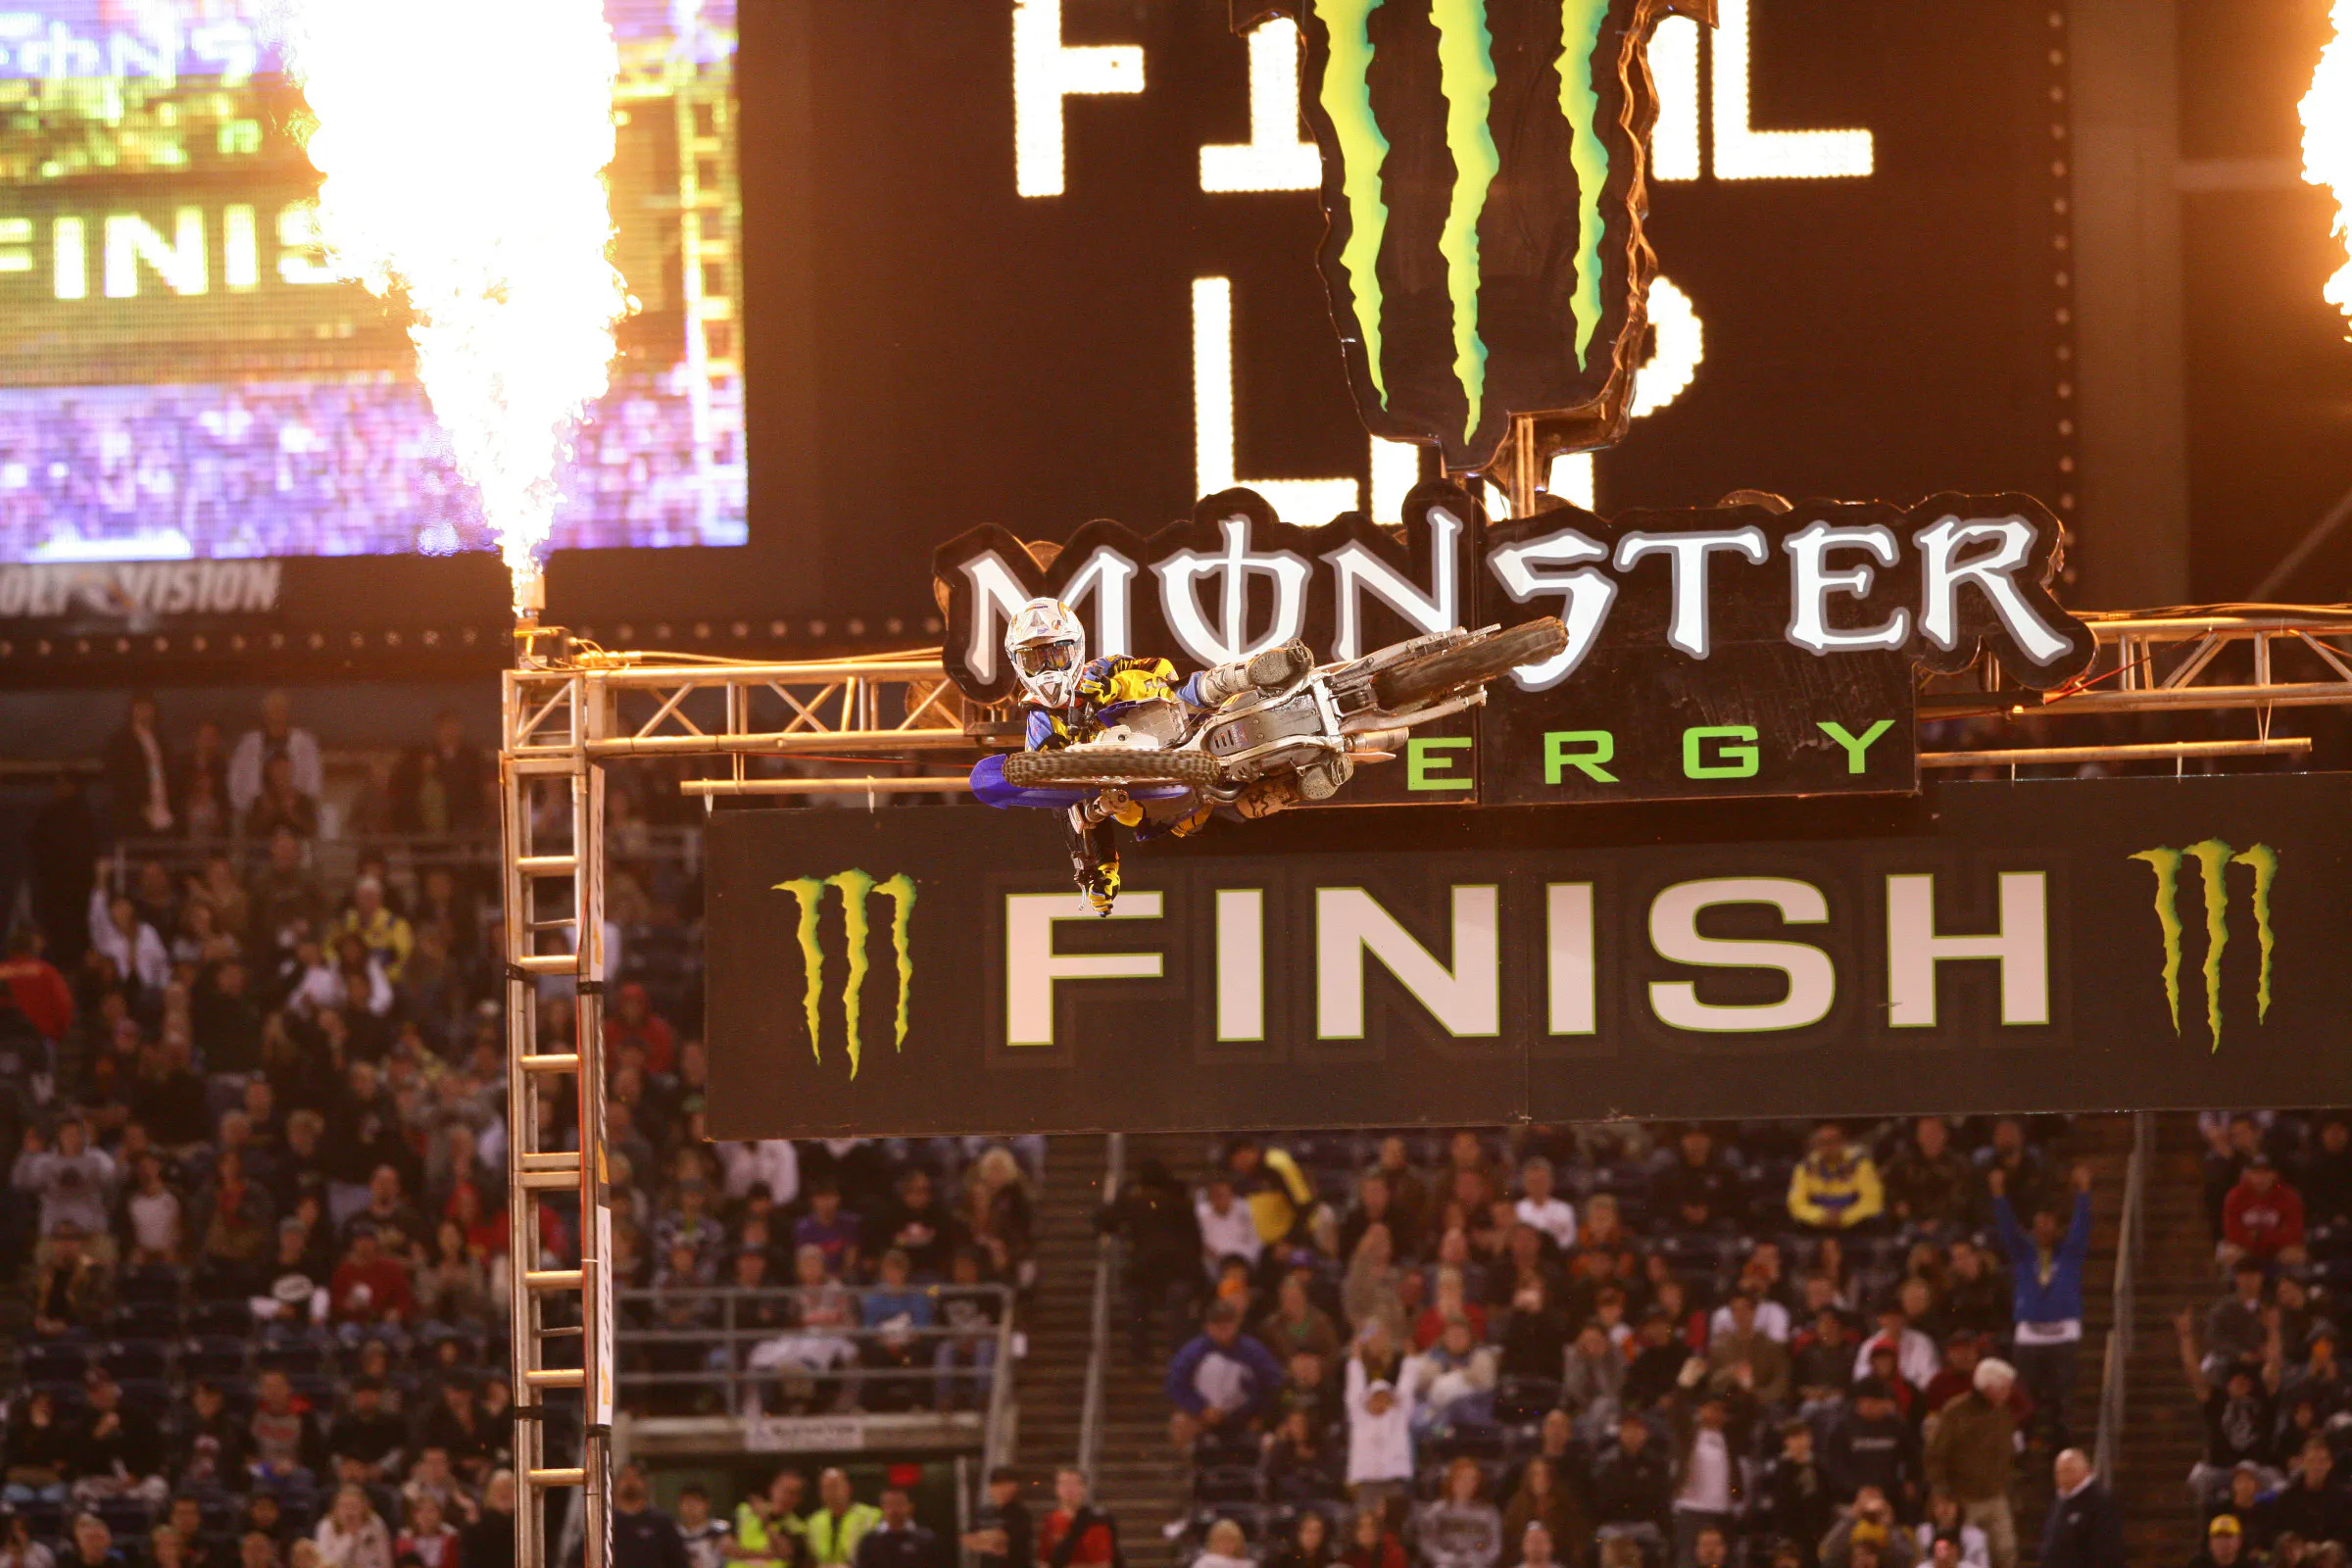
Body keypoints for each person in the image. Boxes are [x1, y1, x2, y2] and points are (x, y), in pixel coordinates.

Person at [968, 596, 1318, 909]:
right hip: (1144, 787)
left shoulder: (1104, 668)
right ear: (1017, 663)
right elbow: (1065, 803)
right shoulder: (1040, 725)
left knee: (1194, 689)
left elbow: (1164, 671)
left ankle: (1259, 670)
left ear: (1075, 649)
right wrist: (1098, 866)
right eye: (1034, 659)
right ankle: (1299, 786)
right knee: (1203, 818)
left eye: (1055, 654)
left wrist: (1113, 687)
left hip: (1174, 725)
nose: (1047, 669)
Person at [1992, 1163, 2092, 1451]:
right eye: (2039, 1223)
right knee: (2026, 1393)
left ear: (2057, 1226)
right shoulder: (2022, 1253)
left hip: (2064, 1334)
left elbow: (2082, 1226)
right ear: (2032, 1227)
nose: (2045, 1228)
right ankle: (2026, 1440)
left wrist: (2084, 1193)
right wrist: (1999, 1196)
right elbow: (2007, 1229)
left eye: (2050, 1223)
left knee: (2064, 1394)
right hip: (2030, 1335)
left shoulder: (2070, 1253)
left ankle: (2063, 1443)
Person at [2177, 1304, 2284, 1498]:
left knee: (2281, 1485)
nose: (2241, 1385)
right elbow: (2193, 1372)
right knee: (2197, 1477)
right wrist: (2186, 1338)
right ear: (2227, 1382)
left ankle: (2260, 1506)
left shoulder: (2262, 1395)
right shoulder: (2215, 1397)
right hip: (2222, 1471)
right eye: (2236, 1380)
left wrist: (2273, 1331)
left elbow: (2274, 1365)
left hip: (2257, 1469)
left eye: (2245, 1381)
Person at [1923, 1357, 2020, 1568]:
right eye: (2004, 1388)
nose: (2008, 1393)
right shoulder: (1955, 1411)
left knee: (2005, 1550)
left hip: (1996, 1494)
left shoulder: (2002, 1412)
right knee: (1968, 1554)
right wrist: (1942, 1491)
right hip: (1963, 1497)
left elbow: (2007, 1451)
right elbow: (1935, 1454)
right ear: (1988, 1388)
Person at [1166, 1301, 1286, 1447]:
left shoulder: (1253, 1351)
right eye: (1217, 1325)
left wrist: (1260, 1415)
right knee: (1180, 1423)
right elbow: (1175, 1383)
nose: (1223, 1331)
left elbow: (1273, 1383)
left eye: (1227, 1325)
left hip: (1246, 1417)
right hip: (1205, 1416)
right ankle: (1189, 1467)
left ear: (1236, 1325)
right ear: (1207, 1327)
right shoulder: (1192, 1352)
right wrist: (1200, 1408)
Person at [228, 692, 322, 821]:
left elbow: (313, 779)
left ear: (287, 713)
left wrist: (298, 801)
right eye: (273, 710)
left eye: (280, 710)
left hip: (293, 809)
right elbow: (236, 778)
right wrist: (248, 804)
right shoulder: (249, 743)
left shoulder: (304, 742)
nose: (277, 715)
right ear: (265, 714)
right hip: (258, 810)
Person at [1788, 1123, 1885, 1232]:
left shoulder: (1861, 1165)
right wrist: (1820, 1216)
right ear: (1815, 1145)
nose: (1829, 1147)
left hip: (1855, 1226)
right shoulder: (1804, 1168)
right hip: (1817, 1227)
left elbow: (1872, 1202)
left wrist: (1844, 1217)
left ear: (1843, 1142)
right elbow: (1796, 1204)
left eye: (1834, 1141)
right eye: (1823, 1143)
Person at [103, 693, 174, 838]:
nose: (144, 712)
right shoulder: (121, 741)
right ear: (132, 711)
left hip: (162, 805)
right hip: (134, 810)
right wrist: (138, 804)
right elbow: (117, 777)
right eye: (140, 708)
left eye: (148, 708)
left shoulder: (161, 740)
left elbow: (168, 771)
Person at [2038, 1450, 2125, 1568]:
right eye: (2058, 1472)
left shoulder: (2100, 1501)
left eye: (2068, 1471)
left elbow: (2106, 1550)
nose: (2062, 1477)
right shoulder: (2059, 1501)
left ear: (2085, 1471)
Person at [2221, 1157, 2309, 1271]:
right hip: (2246, 1248)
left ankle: (2289, 1285)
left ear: (2274, 1175)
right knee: (2229, 1253)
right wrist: (2261, 1239)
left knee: (2296, 1255)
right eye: (2256, 1173)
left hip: (2279, 1248)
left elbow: (2294, 1232)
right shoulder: (2235, 1195)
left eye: (2265, 1173)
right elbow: (2232, 1232)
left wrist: (2261, 1237)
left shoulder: (2289, 1195)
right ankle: (2235, 1287)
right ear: (2247, 1174)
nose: (2260, 1178)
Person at [1417, 1458, 1503, 1568]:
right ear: (1451, 1481)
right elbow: (1426, 1542)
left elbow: (1495, 1546)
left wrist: (1480, 1560)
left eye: (1471, 1480)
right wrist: (1441, 1557)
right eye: (1461, 1479)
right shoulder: (1436, 1511)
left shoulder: (1489, 1513)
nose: (1466, 1484)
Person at [607, 1465, 688, 1568]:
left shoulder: (662, 1524)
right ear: (616, 1484)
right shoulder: (605, 1523)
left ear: (646, 1484)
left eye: (635, 1477)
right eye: (625, 1477)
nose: (630, 1482)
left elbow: (678, 1562)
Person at [1035, 1468, 1119, 1568]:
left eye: (1074, 1484)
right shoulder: (1050, 1521)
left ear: (1084, 1488)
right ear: (1056, 1489)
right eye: (1064, 1483)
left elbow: (1104, 1564)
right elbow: (1044, 1560)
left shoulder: (1097, 1521)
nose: (1069, 1489)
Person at [804, 1470, 880, 1568]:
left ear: (848, 1488)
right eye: (825, 1488)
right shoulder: (814, 1521)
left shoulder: (872, 1516)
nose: (830, 1492)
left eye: (835, 1486)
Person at [732, 1469, 807, 1568]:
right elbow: (725, 1548)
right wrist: (764, 1555)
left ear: (798, 1499)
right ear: (772, 1489)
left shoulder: (798, 1527)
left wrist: (765, 1520)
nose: (786, 1497)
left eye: (793, 1493)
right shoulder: (744, 1511)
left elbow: (785, 1553)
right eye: (783, 1490)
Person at [959, 1468, 1028, 1568]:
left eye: (1006, 1485)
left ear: (1014, 1487)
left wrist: (980, 1539)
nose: (1001, 1490)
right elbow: (965, 1539)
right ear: (991, 1488)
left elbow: (1003, 1541)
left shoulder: (1021, 1514)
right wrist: (989, 1542)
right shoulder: (983, 1512)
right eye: (997, 1485)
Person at [313, 1488, 391, 1568]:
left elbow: (384, 1561)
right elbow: (325, 1562)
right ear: (336, 1508)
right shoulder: (326, 1525)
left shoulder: (375, 1523)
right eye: (344, 1506)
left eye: (354, 1506)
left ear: (364, 1507)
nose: (349, 1511)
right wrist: (349, 1537)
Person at [1339, 1510, 1405, 1568]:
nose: (1367, 1531)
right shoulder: (1347, 1558)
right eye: (1362, 1527)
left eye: (1372, 1526)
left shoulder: (1393, 1553)